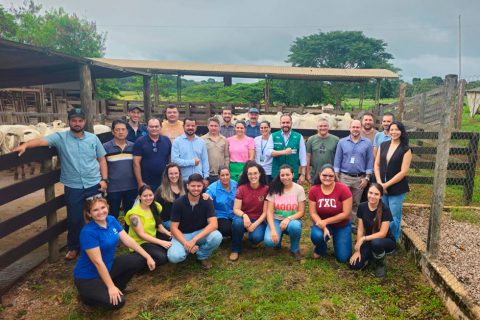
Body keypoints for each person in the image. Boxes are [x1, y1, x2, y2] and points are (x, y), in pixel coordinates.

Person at [14, 108, 108, 260]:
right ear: (69, 121)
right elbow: (40, 141)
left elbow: (102, 159)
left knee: (97, 215)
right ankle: (74, 247)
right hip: (73, 186)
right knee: (74, 218)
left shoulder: (93, 138)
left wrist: (104, 180)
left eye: (80, 120)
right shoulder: (60, 137)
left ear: (84, 122)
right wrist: (25, 145)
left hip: (93, 183)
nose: (77, 123)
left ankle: (99, 244)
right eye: (74, 120)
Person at [73, 196, 155, 309]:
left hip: (108, 267)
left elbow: (128, 240)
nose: (101, 212)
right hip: (89, 277)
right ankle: (86, 298)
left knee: (139, 259)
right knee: (118, 302)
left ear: (107, 207)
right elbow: (97, 262)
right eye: (95, 210)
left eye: (103, 207)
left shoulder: (111, 220)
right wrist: (110, 287)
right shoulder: (88, 232)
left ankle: (119, 287)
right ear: (89, 214)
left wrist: (148, 256)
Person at [167, 174, 223, 269]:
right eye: (193, 186)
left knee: (217, 236)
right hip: (182, 234)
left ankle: (202, 255)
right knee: (174, 257)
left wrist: (194, 240)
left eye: (199, 186)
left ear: (203, 186)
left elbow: (214, 225)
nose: (196, 189)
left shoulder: (207, 201)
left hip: (200, 233)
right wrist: (186, 243)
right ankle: (189, 249)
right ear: (187, 186)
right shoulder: (178, 203)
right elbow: (173, 228)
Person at [374, 121, 411, 241]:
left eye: (397, 130)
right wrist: (380, 183)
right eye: (392, 129)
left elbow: (403, 172)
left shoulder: (406, 149)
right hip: (382, 185)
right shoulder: (383, 145)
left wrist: (386, 185)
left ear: (401, 132)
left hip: (397, 187)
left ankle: (393, 240)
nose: (394, 132)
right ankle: (382, 236)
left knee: (394, 216)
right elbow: (377, 165)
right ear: (389, 131)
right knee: (383, 214)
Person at [349, 183, 396, 278]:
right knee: (355, 265)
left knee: (376, 243)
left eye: (376, 194)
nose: (372, 196)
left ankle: (380, 263)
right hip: (369, 240)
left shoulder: (385, 209)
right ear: (367, 193)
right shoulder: (362, 207)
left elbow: (382, 234)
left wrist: (364, 238)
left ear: (381, 196)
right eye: (370, 193)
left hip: (385, 241)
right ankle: (371, 257)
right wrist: (358, 250)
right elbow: (360, 229)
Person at [309, 164, 353, 263]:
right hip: (322, 225)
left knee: (343, 258)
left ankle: (339, 240)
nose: (327, 178)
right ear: (320, 174)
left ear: (334, 176)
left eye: (331, 176)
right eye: (324, 175)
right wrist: (324, 226)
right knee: (316, 236)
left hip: (341, 225)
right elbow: (313, 213)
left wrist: (325, 221)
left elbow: (346, 213)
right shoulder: (314, 190)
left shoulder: (343, 189)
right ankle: (321, 248)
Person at [333, 119, 373, 222]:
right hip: (344, 176)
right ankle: (340, 221)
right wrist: (336, 175)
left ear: (361, 128)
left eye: (357, 127)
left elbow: (369, 161)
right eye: (353, 127)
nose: (355, 129)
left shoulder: (367, 143)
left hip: (359, 178)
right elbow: (337, 159)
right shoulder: (342, 142)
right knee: (342, 200)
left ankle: (351, 223)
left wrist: (367, 178)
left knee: (355, 202)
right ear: (350, 128)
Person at [264, 165, 305, 260]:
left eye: (288, 174)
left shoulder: (299, 189)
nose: (285, 177)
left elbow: (301, 212)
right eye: (282, 175)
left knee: (295, 226)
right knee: (269, 242)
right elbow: (269, 212)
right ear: (279, 176)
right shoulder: (274, 188)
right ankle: (278, 237)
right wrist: (273, 230)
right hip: (276, 220)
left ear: (293, 175)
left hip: (292, 220)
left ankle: (295, 249)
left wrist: (288, 218)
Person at [230, 161, 269, 261]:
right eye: (250, 174)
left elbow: (265, 213)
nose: (253, 176)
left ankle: (254, 240)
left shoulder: (266, 189)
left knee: (255, 238)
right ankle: (235, 249)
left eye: (255, 173)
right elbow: (236, 209)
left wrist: (255, 224)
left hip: (258, 219)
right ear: (246, 175)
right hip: (243, 217)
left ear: (260, 174)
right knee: (237, 223)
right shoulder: (241, 188)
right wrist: (244, 216)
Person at [124, 185, 172, 267]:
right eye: (145, 196)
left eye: (150, 195)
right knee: (163, 258)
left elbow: (158, 225)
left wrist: (168, 233)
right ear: (139, 197)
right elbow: (141, 235)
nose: (148, 198)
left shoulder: (156, 206)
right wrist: (161, 242)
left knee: (172, 242)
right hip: (141, 242)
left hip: (153, 236)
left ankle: (153, 252)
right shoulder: (134, 214)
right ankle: (138, 261)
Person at [103, 119, 137, 219]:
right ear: (113, 132)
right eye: (117, 130)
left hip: (131, 186)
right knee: (113, 214)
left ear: (127, 131)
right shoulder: (106, 147)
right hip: (113, 188)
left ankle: (128, 234)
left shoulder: (133, 146)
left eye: (123, 129)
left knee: (130, 214)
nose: (121, 132)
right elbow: (101, 165)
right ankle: (113, 234)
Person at [133, 118, 171, 191]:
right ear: (147, 127)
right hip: (146, 183)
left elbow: (170, 160)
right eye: (151, 126)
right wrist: (140, 182)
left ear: (160, 127)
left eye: (156, 126)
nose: (154, 128)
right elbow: (136, 163)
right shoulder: (140, 141)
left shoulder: (166, 140)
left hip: (164, 182)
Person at [171, 118, 209, 186]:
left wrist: (205, 177)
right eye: (188, 125)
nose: (190, 128)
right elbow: (175, 161)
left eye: (193, 126)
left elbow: (205, 160)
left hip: (199, 180)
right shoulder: (177, 142)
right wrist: (192, 162)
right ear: (183, 126)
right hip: (183, 180)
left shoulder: (201, 142)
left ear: (196, 127)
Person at [271, 114, 307, 184]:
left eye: (287, 122)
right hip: (277, 174)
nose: (285, 125)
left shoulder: (299, 137)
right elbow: (268, 152)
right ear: (280, 123)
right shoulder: (273, 136)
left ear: (291, 123)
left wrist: (303, 174)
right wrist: (284, 152)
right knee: (277, 194)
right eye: (283, 123)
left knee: (292, 194)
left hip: (292, 175)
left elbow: (303, 157)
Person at [205, 166, 237, 237]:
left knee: (241, 225)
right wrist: (206, 196)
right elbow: (206, 195)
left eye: (227, 175)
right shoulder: (213, 188)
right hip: (221, 215)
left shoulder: (235, 184)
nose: (225, 177)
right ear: (219, 176)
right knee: (226, 229)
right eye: (222, 175)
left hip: (234, 214)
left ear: (230, 175)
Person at [306, 119, 339, 184]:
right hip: (315, 174)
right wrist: (307, 173)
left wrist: (337, 173)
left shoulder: (336, 140)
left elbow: (339, 158)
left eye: (325, 126)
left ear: (328, 127)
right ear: (317, 127)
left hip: (330, 175)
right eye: (320, 126)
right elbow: (308, 157)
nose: (323, 128)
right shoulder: (311, 140)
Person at [154, 163, 186, 230]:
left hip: (183, 219)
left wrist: (205, 195)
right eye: (171, 174)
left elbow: (196, 193)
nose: (174, 176)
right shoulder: (161, 190)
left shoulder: (185, 185)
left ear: (179, 174)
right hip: (168, 221)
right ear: (167, 175)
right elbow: (154, 208)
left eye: (176, 173)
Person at [202, 117, 229, 185]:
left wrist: (226, 170)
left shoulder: (224, 139)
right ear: (208, 126)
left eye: (215, 126)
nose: (213, 128)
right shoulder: (202, 139)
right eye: (211, 126)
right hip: (207, 174)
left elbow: (226, 156)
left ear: (219, 127)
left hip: (220, 174)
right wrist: (204, 176)